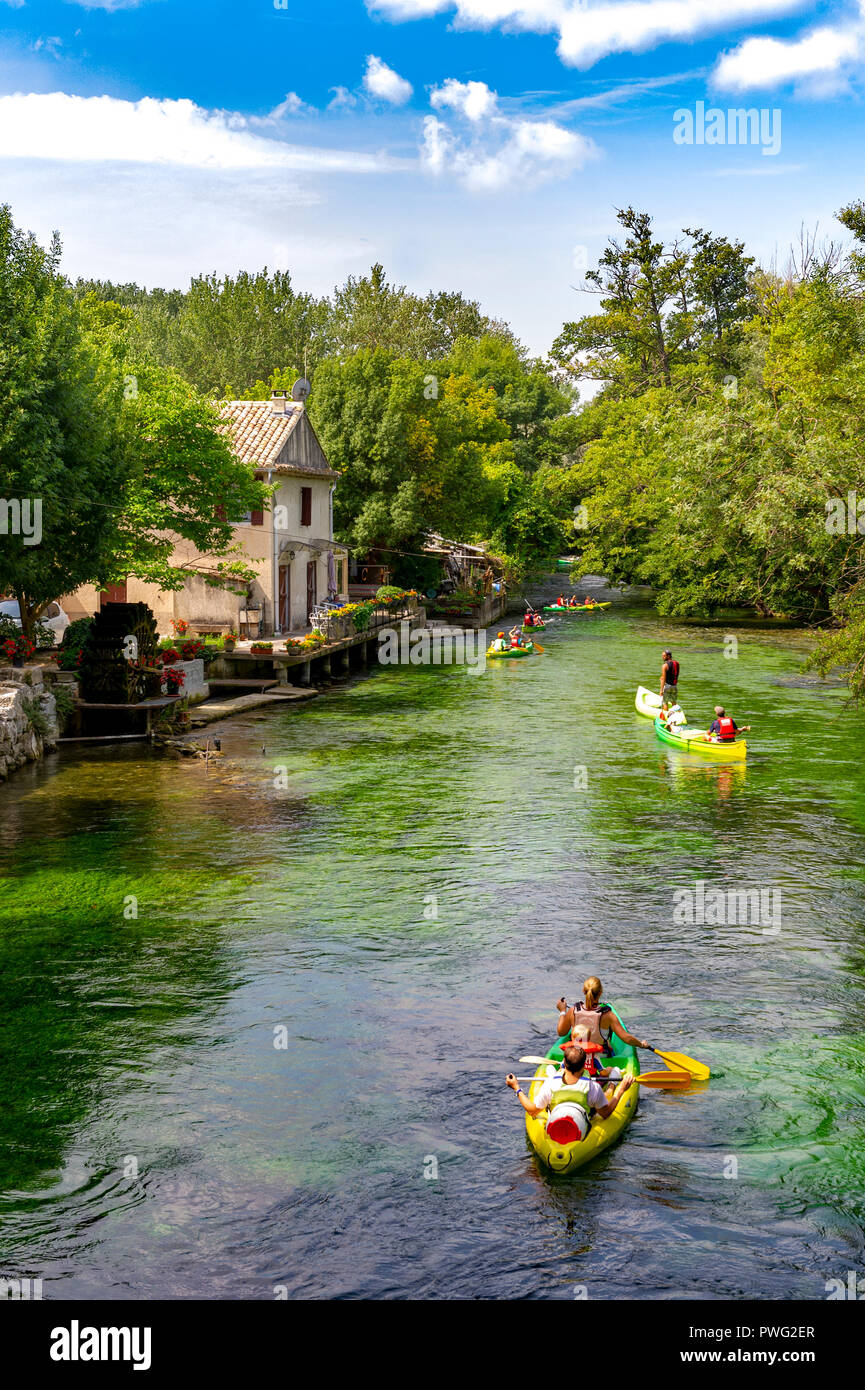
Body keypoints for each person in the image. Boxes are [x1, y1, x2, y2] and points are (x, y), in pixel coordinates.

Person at [506, 1045, 634, 1143]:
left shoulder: (550, 1084)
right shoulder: (592, 1087)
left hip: (558, 1122)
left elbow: (532, 1111)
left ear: (564, 1064)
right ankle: (612, 1084)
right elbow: (606, 1114)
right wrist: (621, 1089)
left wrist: (516, 1088)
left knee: (550, 1072)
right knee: (608, 1093)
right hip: (583, 1122)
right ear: (584, 1066)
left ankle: (554, 1071)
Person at [555, 976, 649, 1071]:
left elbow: (561, 1032)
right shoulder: (607, 1015)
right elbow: (626, 1038)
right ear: (600, 993)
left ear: (584, 991)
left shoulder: (573, 1011)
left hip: (575, 1057)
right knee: (609, 1046)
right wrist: (641, 1044)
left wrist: (562, 1011)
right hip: (600, 1058)